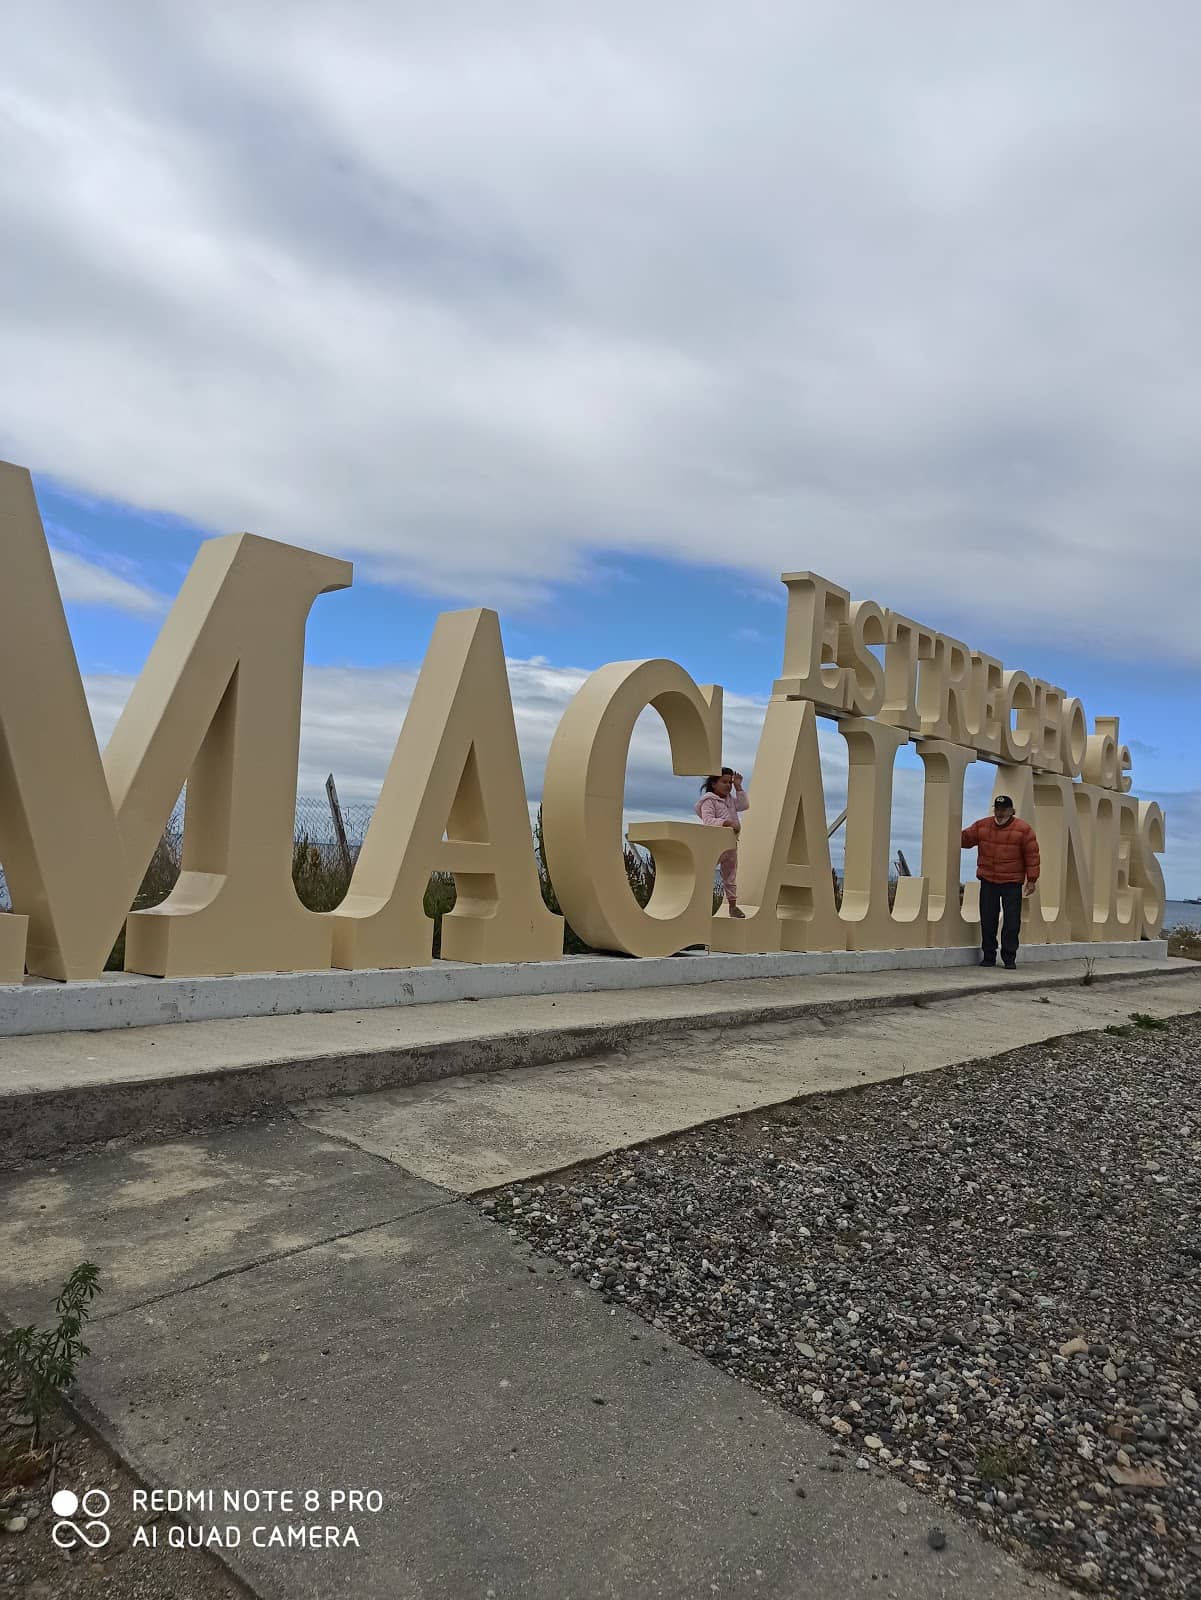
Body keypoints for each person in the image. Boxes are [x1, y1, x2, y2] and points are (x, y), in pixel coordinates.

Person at [961, 794, 1040, 969]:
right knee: (988, 920)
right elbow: (965, 839)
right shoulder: (982, 826)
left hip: (1012, 882)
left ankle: (1009, 958)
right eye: (997, 809)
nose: (1000, 813)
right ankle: (988, 956)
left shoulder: (1023, 829)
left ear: (1012, 811)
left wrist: (1032, 879)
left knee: (1012, 922)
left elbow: (1032, 855)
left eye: (1004, 810)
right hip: (988, 880)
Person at [696, 767, 750, 918]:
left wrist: (739, 788)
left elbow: (744, 805)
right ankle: (701, 905)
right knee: (705, 873)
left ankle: (732, 906)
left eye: (730, 782)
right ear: (714, 783)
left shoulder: (730, 801)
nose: (728, 785)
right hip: (714, 844)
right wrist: (727, 823)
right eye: (724, 782)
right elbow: (708, 820)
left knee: (730, 875)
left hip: (730, 845)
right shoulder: (708, 801)